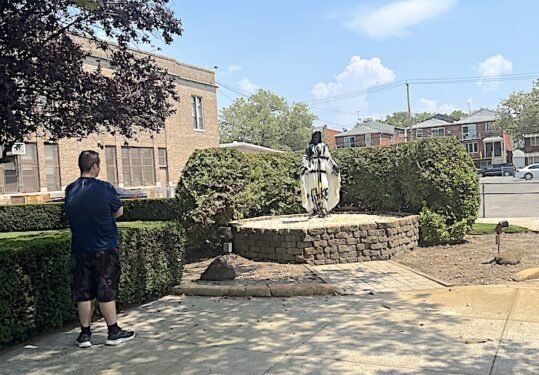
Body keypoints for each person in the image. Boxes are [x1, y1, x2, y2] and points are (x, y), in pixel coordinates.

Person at [65, 150, 135, 348]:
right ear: (95, 166)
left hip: (79, 248)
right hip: (104, 246)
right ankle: (113, 331)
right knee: (106, 288)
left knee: (83, 291)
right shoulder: (105, 188)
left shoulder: (70, 189)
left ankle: (85, 335)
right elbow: (118, 211)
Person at [300, 130, 341, 217]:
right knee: (314, 191)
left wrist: (334, 166)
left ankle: (324, 208)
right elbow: (306, 158)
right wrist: (305, 166)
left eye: (317, 137)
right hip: (312, 173)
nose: (316, 138)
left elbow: (328, 158)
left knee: (324, 188)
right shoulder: (309, 147)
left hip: (322, 172)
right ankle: (315, 209)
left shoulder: (324, 147)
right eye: (315, 137)